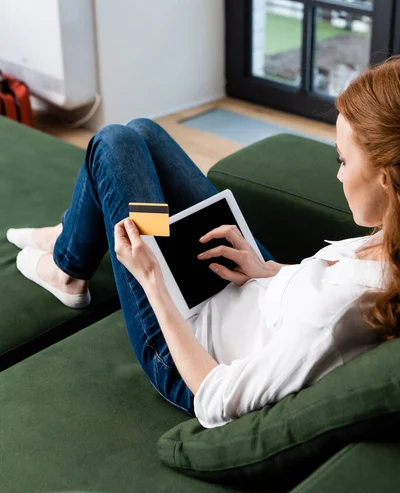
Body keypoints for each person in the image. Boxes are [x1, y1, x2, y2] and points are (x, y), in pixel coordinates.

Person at [6, 56, 400, 429]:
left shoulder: (335, 316)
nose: (339, 176)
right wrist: (268, 269)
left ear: (385, 177)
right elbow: (323, 282)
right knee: (144, 132)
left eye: (343, 161)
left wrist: (150, 281)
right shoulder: (391, 240)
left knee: (112, 143)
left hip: (190, 346)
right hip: (253, 285)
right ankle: (71, 234)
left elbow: (215, 398)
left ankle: (69, 267)